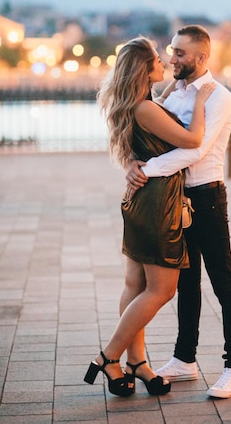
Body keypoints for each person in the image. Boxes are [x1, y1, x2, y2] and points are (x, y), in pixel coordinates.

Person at [84, 36, 215, 397]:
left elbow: (145, 132)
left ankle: (137, 363)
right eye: (158, 59)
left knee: (135, 285)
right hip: (159, 204)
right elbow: (192, 140)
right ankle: (110, 357)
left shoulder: (137, 105)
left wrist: (179, 83)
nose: (165, 62)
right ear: (144, 70)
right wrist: (201, 100)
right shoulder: (145, 108)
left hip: (140, 200)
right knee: (162, 289)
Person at [126, 25, 231, 399]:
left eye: (180, 53)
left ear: (201, 58)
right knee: (186, 283)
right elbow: (152, 138)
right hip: (176, 201)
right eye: (172, 50)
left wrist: (146, 171)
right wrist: (134, 160)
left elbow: (194, 150)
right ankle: (184, 359)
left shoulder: (217, 97)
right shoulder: (172, 93)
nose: (171, 57)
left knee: (223, 283)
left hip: (207, 198)